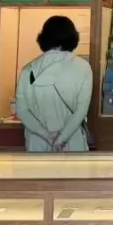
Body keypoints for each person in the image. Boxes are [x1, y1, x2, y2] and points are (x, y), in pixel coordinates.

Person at [15, 15, 93, 153]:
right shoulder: (83, 67)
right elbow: (81, 111)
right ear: (73, 37)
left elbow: (21, 110)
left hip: (37, 144)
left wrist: (47, 136)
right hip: (71, 143)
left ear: (44, 37)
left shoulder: (28, 70)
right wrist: (60, 139)